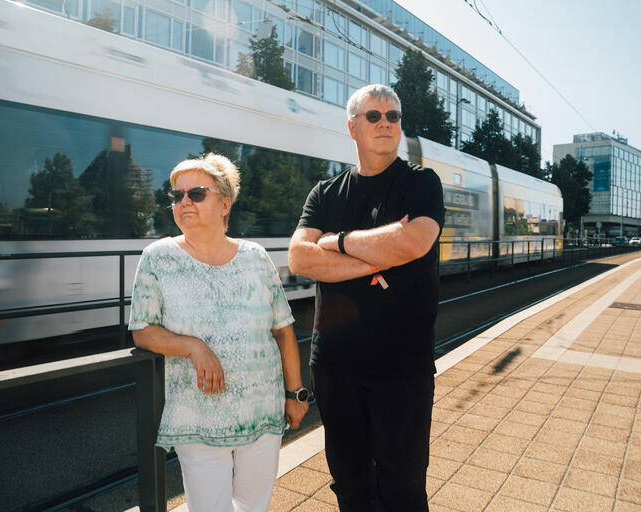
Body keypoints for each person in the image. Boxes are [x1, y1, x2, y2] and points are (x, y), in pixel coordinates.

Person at [288, 84, 445, 512]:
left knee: (403, 488)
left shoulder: (421, 183)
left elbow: (414, 243)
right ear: (352, 127)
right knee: (350, 484)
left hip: (402, 366)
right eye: (374, 116)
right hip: (336, 365)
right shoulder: (324, 193)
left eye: (393, 116)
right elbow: (300, 258)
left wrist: (336, 242)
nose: (385, 124)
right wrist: (379, 256)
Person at [129, 153, 309, 512]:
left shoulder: (256, 258)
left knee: (252, 506)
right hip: (198, 416)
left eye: (196, 194)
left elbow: (284, 331)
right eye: (177, 196)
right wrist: (192, 346)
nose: (183, 203)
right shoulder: (157, 258)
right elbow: (143, 330)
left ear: (225, 204)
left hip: (262, 412)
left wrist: (296, 394)